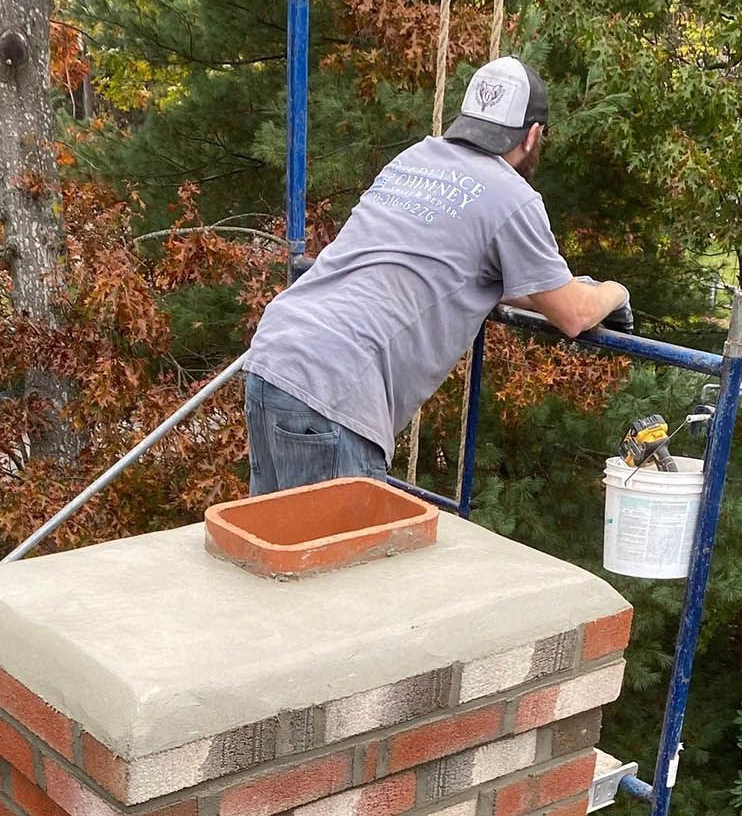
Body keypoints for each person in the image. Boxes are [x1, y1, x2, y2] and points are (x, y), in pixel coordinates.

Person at [243, 55, 632, 495]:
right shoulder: (513, 197)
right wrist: (613, 292)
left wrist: (537, 291)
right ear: (534, 135)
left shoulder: (416, 158)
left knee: (276, 547)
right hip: (335, 390)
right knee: (338, 556)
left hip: (276, 354)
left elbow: (452, 269)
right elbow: (573, 315)